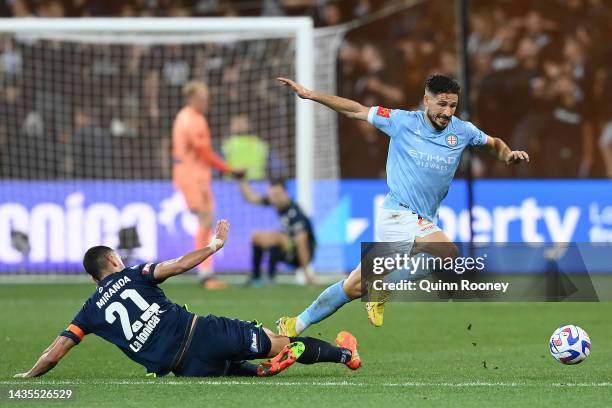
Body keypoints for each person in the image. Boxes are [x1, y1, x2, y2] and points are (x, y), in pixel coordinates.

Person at [275, 74, 530, 336]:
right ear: (426, 101)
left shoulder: (462, 131)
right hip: (398, 213)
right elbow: (357, 110)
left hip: (422, 220)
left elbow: (493, 144)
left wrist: (508, 155)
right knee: (448, 253)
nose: (447, 112)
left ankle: (295, 324)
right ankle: (381, 285)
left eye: (452, 105)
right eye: (441, 104)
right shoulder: (401, 121)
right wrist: (312, 94)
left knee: (353, 287)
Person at [13, 220, 361, 379]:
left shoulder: (88, 312)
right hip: (202, 333)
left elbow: (54, 353)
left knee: (225, 365)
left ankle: (255, 371)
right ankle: (346, 355)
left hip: (185, 369)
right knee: (280, 341)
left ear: (93, 278)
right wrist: (213, 246)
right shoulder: (134, 273)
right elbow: (178, 265)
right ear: (115, 261)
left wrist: (30, 374)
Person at [172, 80, 243, 289]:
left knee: (206, 221)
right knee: (205, 220)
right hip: (192, 176)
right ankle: (205, 273)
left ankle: (205, 272)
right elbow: (204, 153)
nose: (206, 103)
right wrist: (229, 170)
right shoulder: (192, 121)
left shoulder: (186, 116)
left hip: (193, 174)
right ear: (192, 99)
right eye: (203, 99)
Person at [238, 177, 317, 286]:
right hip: (288, 248)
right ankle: (256, 277)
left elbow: (302, 242)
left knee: (276, 237)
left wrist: (307, 273)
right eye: (271, 195)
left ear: (286, 193)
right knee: (256, 236)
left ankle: (270, 278)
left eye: (277, 195)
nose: (273, 199)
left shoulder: (295, 213)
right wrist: (242, 180)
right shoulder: (278, 203)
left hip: (303, 255)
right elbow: (251, 198)